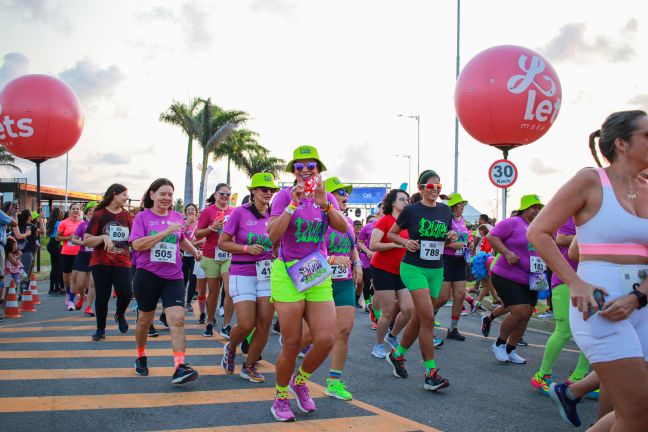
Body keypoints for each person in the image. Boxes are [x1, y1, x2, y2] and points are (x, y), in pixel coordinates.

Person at [527, 110, 648, 431]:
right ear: (622, 143)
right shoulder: (591, 181)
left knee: (629, 412)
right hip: (598, 306)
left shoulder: (647, 189)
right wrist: (575, 282)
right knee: (639, 411)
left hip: (640, 307)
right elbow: (538, 232)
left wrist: (639, 297)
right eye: (647, 135)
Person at [266, 145, 348, 422]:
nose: (304, 170)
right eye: (298, 166)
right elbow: (272, 235)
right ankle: (280, 397)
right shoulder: (281, 197)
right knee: (291, 342)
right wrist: (292, 203)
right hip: (287, 272)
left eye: (310, 165)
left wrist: (325, 202)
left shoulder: (326, 199)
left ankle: (299, 381)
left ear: (319, 169)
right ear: (293, 171)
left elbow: (342, 228)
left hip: (315, 271)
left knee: (326, 338)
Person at [385, 170, 455, 391]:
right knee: (427, 318)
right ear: (421, 187)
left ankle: (397, 355)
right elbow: (392, 235)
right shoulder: (411, 210)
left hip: (436, 269)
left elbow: (446, 236)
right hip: (413, 268)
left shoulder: (445, 211)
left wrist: (450, 237)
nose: (434, 191)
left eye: (438, 187)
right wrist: (405, 243)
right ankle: (430, 374)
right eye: (430, 187)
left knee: (420, 317)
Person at [129, 178, 202, 384]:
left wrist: (194, 250)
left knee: (177, 319)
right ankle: (141, 356)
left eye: (170, 194)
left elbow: (181, 239)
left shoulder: (177, 216)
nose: (167, 198)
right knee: (144, 320)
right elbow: (137, 245)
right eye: (163, 194)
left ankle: (180, 366)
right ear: (152, 195)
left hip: (173, 277)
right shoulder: (142, 217)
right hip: (147, 276)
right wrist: (165, 232)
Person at [219, 173, 279, 383]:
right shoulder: (239, 212)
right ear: (252, 191)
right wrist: (246, 248)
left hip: (266, 274)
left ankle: (249, 366)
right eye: (263, 189)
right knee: (246, 324)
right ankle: (231, 346)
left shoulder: (276, 215)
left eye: (271, 190)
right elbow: (223, 243)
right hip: (242, 272)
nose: (268, 193)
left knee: (264, 324)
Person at [530, 218, 591, 395]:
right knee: (564, 330)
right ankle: (542, 375)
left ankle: (579, 378)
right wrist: (593, 237)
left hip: (591, 281)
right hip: (565, 280)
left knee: (592, 332)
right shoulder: (574, 214)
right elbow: (561, 238)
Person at [486, 194, 545, 364]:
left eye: (538, 208)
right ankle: (499, 343)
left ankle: (511, 349)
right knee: (519, 310)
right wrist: (506, 252)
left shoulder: (537, 226)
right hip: (506, 274)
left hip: (532, 276)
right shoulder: (513, 222)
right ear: (524, 208)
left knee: (526, 314)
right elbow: (491, 237)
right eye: (533, 207)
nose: (536, 211)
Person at [319, 177, 363, 400]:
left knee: (344, 329)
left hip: (344, 282)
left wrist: (357, 263)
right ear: (328, 196)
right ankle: (292, 370)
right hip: (319, 282)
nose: (345, 196)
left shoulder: (346, 222)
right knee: (310, 336)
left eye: (346, 193)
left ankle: (333, 382)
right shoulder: (318, 219)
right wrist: (333, 258)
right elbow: (309, 251)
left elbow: (353, 247)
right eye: (340, 192)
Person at [84, 185, 133, 341]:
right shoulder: (99, 215)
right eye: (124, 195)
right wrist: (103, 238)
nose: (126, 198)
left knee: (126, 292)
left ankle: (120, 314)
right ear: (114, 194)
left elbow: (132, 239)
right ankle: (100, 329)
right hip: (101, 262)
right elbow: (87, 240)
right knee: (103, 296)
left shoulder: (127, 216)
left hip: (122, 261)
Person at [369, 189, 413, 359]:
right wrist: (396, 245)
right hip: (382, 269)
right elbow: (373, 245)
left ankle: (392, 336)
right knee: (387, 312)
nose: (406, 202)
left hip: (402, 269)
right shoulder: (385, 221)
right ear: (393, 203)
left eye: (407, 200)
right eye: (402, 199)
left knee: (408, 309)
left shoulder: (409, 223)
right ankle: (378, 345)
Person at [195, 183, 234, 338]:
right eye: (222, 194)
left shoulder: (234, 211)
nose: (225, 197)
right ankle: (210, 322)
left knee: (230, 291)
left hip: (229, 255)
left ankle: (226, 325)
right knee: (214, 293)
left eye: (227, 194)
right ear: (215, 195)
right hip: (211, 255)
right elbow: (197, 234)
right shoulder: (208, 211)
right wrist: (212, 227)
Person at [435, 193, 471, 341]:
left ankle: (453, 329)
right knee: (443, 297)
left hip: (460, 260)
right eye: (459, 204)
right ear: (452, 206)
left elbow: (464, 237)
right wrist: (450, 245)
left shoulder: (462, 220)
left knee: (460, 295)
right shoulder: (446, 219)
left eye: (463, 204)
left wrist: (469, 244)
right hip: (446, 259)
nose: (462, 207)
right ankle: (425, 317)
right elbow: (435, 239)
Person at [70, 202, 98, 315]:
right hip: (83, 256)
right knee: (80, 284)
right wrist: (83, 242)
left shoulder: (100, 225)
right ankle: (82, 296)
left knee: (92, 283)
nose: (92, 214)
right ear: (86, 214)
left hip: (96, 256)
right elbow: (73, 239)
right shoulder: (82, 225)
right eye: (90, 212)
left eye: (94, 212)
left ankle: (88, 307)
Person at [55, 203, 82, 311]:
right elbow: (57, 238)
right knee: (66, 278)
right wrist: (68, 238)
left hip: (79, 253)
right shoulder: (64, 223)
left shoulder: (83, 223)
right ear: (69, 211)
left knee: (74, 277)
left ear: (80, 211)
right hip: (66, 253)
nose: (76, 211)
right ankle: (68, 292)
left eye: (77, 209)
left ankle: (71, 299)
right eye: (73, 209)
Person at [356, 214, 378, 314]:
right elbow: (358, 244)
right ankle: (367, 304)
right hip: (365, 260)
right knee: (366, 284)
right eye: (370, 221)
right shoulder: (366, 229)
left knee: (376, 285)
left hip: (378, 260)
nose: (372, 223)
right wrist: (368, 252)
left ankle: (372, 302)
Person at [14, 209, 40, 291]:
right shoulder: (31, 227)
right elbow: (43, 231)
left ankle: (17, 290)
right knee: (24, 272)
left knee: (19, 271)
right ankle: (23, 290)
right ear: (29, 217)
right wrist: (41, 219)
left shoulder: (19, 226)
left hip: (19, 251)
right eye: (31, 215)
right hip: (28, 252)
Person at [182, 204, 199, 311]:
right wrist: (186, 224)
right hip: (184, 254)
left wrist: (195, 243)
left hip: (195, 254)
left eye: (192, 209)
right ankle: (180, 300)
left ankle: (188, 302)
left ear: (196, 212)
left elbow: (203, 237)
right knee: (182, 279)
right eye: (188, 210)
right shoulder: (183, 223)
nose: (190, 211)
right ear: (185, 212)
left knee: (193, 279)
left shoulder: (199, 224)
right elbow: (179, 235)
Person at [46, 208, 64, 295]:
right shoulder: (59, 223)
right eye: (61, 212)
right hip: (55, 244)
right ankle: (57, 287)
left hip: (51, 243)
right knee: (58, 267)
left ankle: (52, 287)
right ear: (58, 214)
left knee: (54, 267)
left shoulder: (52, 222)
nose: (62, 214)